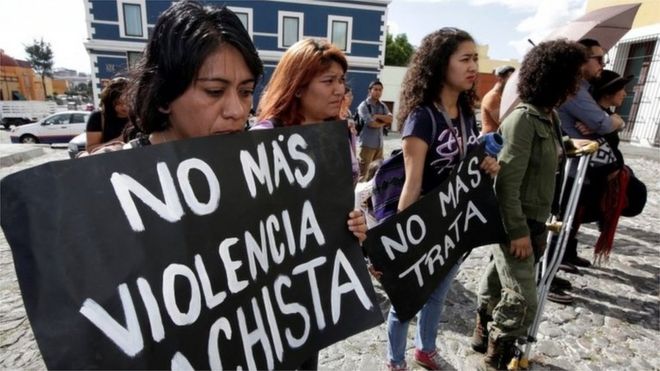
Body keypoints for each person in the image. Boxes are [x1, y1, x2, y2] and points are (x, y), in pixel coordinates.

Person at [382, 28, 500, 371]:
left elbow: (465, 166)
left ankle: (425, 350)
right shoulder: (421, 118)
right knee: (406, 301)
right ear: (439, 64)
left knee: (437, 296)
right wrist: (403, 246)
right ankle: (395, 361)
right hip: (423, 228)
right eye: (464, 59)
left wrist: (485, 164)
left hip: (454, 227)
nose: (473, 66)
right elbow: (413, 185)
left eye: (475, 58)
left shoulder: (464, 113)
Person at [472, 40, 587, 370]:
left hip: (535, 219)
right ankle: (496, 358)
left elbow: (546, 150)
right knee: (524, 298)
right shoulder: (522, 119)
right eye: (574, 78)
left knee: (497, 278)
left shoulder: (548, 117)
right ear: (556, 78)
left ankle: (482, 330)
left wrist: (568, 144)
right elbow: (506, 183)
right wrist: (518, 231)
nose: (577, 86)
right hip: (515, 221)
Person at [253, 37, 367, 369]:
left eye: (342, 80)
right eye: (328, 81)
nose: (340, 90)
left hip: (317, 281)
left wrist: (355, 223)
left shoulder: (343, 134)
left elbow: (343, 198)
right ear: (299, 87)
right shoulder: (264, 137)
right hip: (272, 284)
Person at [555, 38, 625, 273]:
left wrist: (614, 121)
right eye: (598, 59)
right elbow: (601, 123)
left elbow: (602, 123)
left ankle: (566, 253)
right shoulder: (573, 91)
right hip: (571, 168)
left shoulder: (584, 90)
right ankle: (553, 264)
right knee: (563, 216)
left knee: (573, 215)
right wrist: (613, 121)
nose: (602, 65)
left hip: (582, 168)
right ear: (581, 60)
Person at [357, 80, 392, 180]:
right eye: (375, 89)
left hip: (379, 146)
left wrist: (376, 116)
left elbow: (391, 119)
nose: (378, 92)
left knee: (376, 175)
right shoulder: (364, 106)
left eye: (380, 90)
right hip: (367, 146)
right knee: (363, 175)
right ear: (370, 91)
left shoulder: (383, 105)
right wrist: (383, 120)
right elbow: (371, 123)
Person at [85, 77, 130, 152]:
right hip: (108, 161)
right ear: (109, 102)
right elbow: (90, 149)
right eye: (119, 103)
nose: (125, 106)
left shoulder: (140, 116)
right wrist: (118, 140)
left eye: (128, 101)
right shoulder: (98, 117)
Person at [480, 65, 515, 134]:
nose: (512, 82)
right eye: (510, 78)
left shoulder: (502, 96)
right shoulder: (492, 97)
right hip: (491, 142)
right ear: (500, 79)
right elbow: (504, 123)